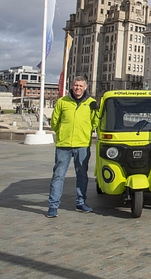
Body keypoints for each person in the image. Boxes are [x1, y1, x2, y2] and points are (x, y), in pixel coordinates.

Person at [47, 76, 98, 218]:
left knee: (82, 175)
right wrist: (63, 133)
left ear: (86, 87)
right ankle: (53, 205)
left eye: (81, 86)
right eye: (76, 85)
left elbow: (96, 122)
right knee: (58, 175)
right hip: (64, 145)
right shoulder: (62, 102)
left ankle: (81, 202)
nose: (78, 88)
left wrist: (85, 132)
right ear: (72, 86)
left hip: (82, 144)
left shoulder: (91, 103)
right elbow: (55, 122)